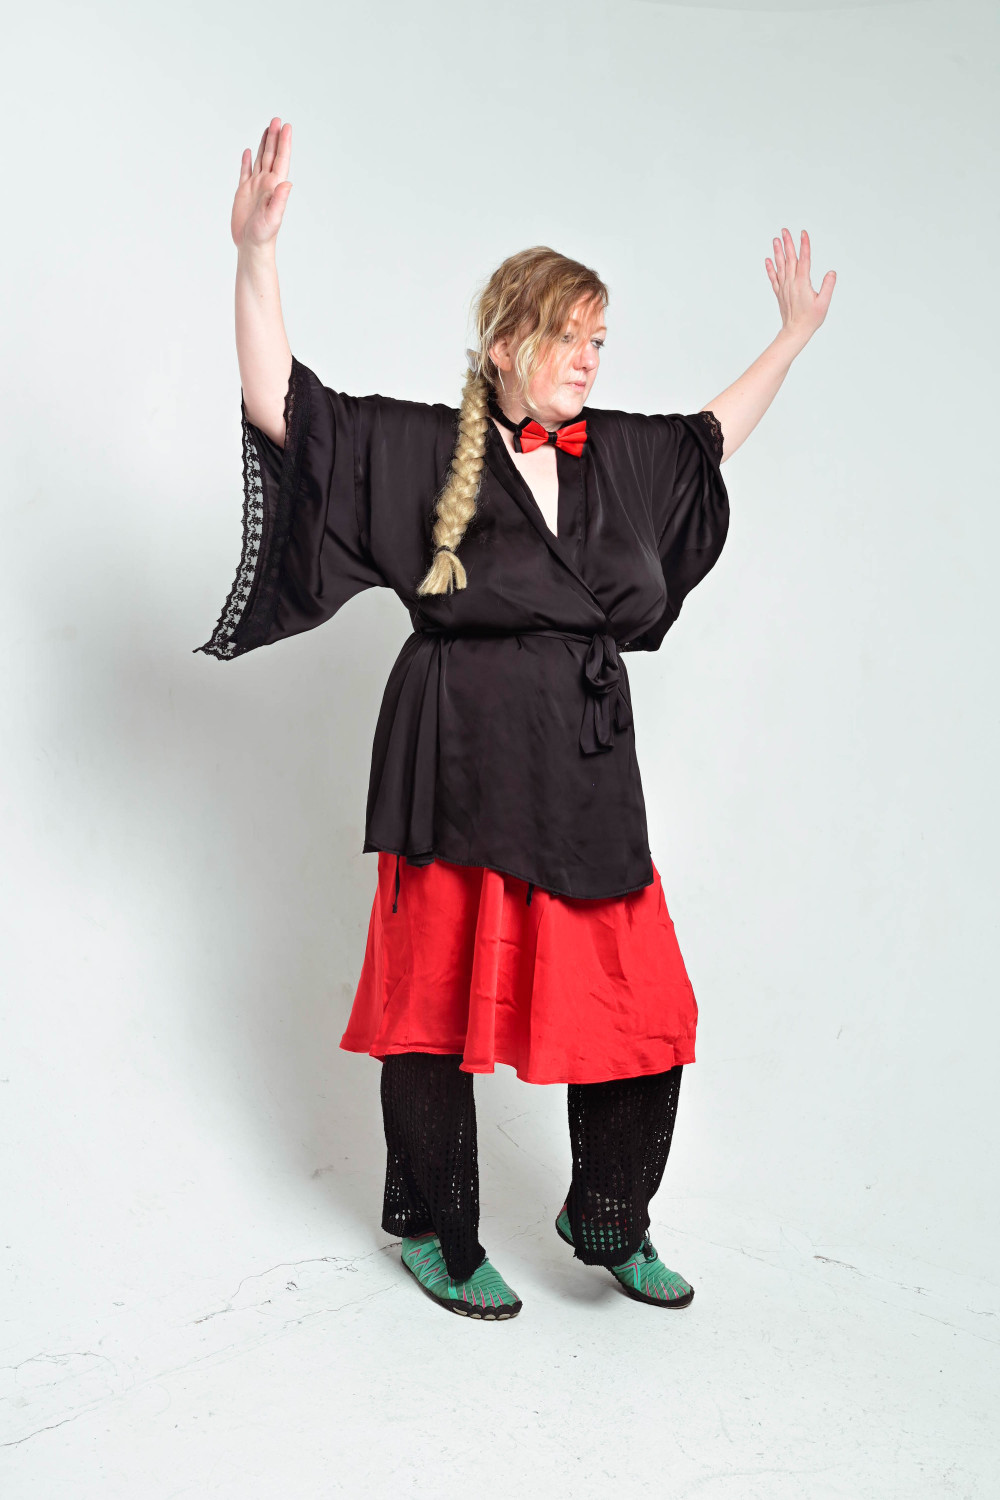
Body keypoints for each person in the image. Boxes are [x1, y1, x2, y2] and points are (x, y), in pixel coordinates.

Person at [195, 118, 837, 1322]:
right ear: (504, 343)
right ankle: (437, 1234)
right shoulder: (421, 445)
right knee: (432, 1008)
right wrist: (256, 255)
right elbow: (287, 408)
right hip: (453, 764)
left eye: (600, 340)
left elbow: (709, 440)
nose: (590, 359)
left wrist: (789, 340)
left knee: (643, 1010)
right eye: (570, 337)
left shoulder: (619, 455)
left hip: (583, 773)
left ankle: (608, 1218)